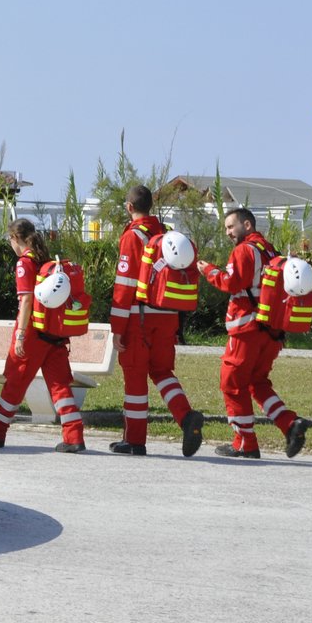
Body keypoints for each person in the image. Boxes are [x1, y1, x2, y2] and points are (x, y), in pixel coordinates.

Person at [198, 207, 309, 459]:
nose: (228, 232)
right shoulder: (270, 250)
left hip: (246, 329)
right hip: (271, 331)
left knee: (232, 384)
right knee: (257, 383)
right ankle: (289, 423)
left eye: (230, 226)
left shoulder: (243, 250)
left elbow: (231, 282)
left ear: (247, 225)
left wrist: (209, 270)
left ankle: (244, 442)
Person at [0, 219, 86, 452]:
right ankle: (74, 436)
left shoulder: (24, 263)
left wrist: (21, 335)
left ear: (15, 239)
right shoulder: (47, 260)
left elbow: (26, 301)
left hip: (33, 335)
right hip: (56, 336)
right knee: (61, 387)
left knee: (14, 384)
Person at [108, 185, 205, 456]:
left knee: (135, 376)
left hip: (140, 317)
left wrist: (117, 326)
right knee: (163, 372)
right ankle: (186, 418)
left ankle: (135, 440)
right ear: (150, 206)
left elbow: (124, 285)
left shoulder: (132, 237)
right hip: (169, 315)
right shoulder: (164, 234)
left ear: (129, 207)